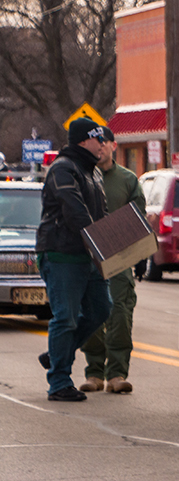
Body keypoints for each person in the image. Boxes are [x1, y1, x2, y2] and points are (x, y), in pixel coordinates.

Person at [36, 117, 112, 402]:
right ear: (82, 141)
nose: (103, 144)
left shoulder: (94, 173)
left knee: (101, 309)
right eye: (98, 139)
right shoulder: (62, 169)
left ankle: (58, 353)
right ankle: (58, 382)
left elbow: (100, 216)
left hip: (88, 254)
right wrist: (100, 244)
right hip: (61, 253)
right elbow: (76, 213)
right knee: (65, 318)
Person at [79, 127, 145, 394]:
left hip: (119, 258)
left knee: (120, 315)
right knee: (93, 314)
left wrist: (139, 254)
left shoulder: (127, 180)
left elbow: (139, 216)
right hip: (89, 259)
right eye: (97, 143)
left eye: (105, 142)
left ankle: (117, 373)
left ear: (114, 146)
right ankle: (94, 372)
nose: (101, 147)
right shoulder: (81, 177)